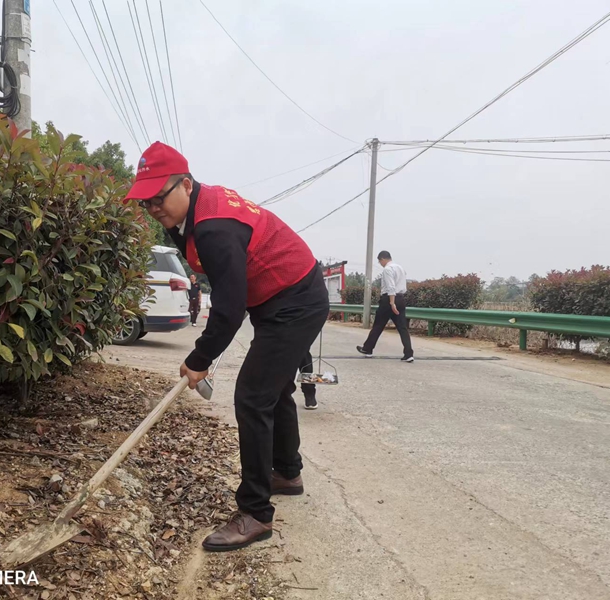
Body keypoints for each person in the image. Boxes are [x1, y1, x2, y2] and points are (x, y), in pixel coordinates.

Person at [126, 142, 329, 552]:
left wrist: (199, 358)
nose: (153, 208)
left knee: (253, 397)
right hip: (278, 297)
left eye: (158, 198)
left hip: (295, 299)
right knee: (274, 389)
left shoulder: (214, 226)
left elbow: (229, 308)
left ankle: (255, 514)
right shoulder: (191, 213)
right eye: (145, 202)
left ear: (185, 184)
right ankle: (287, 473)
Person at [357, 250, 414, 362]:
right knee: (402, 327)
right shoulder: (400, 268)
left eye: (380, 262)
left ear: (382, 259)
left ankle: (367, 349)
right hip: (401, 298)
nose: (380, 264)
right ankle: (408, 353)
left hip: (389, 299)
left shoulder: (387, 269)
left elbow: (391, 287)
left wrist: (392, 303)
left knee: (378, 325)